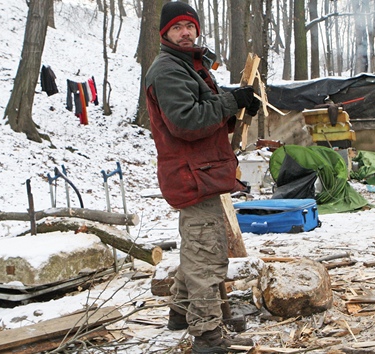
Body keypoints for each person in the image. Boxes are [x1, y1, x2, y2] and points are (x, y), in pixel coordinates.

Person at [144, 1, 260, 353]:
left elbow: (204, 109)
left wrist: (238, 102)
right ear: (165, 33)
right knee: (208, 257)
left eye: (189, 26)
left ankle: (180, 313)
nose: (185, 32)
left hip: (200, 172)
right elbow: (187, 121)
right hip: (192, 175)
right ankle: (208, 336)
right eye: (177, 28)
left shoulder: (188, 65)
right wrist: (228, 103)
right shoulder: (168, 69)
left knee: (197, 248)